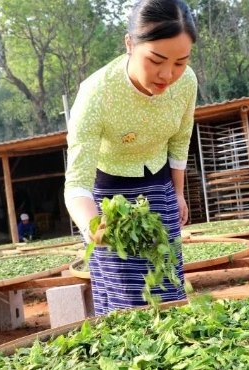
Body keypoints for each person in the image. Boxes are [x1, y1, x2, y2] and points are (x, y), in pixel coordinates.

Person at [64, 0, 197, 315]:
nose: (168, 74)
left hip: (161, 189)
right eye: (156, 60)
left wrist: (177, 193)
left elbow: (180, 139)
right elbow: (77, 183)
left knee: (168, 289)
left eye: (180, 62)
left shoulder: (187, 82)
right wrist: (94, 225)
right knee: (127, 302)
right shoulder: (96, 93)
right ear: (129, 44)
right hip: (113, 203)